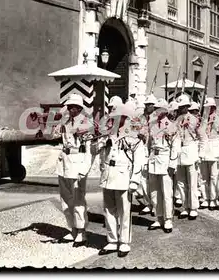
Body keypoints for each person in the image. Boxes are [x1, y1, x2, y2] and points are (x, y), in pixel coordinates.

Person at [96, 103, 144, 257]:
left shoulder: (133, 135)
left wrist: (135, 180)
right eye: (113, 117)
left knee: (124, 211)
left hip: (124, 175)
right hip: (109, 174)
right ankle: (111, 240)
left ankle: (124, 242)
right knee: (108, 209)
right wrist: (103, 143)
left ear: (125, 117)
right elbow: (98, 151)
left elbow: (139, 159)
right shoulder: (108, 134)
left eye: (118, 117)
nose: (115, 120)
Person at [51, 94, 94, 247]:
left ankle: (82, 231)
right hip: (64, 162)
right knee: (66, 199)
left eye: (74, 107)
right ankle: (73, 229)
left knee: (78, 199)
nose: (71, 109)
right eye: (69, 107)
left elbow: (90, 149)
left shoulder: (86, 123)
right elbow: (54, 135)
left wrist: (85, 168)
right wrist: (58, 121)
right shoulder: (66, 122)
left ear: (80, 108)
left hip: (77, 163)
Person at [147, 98, 180, 233]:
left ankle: (168, 219)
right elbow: (149, 144)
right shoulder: (152, 125)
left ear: (165, 111)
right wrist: (146, 160)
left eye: (159, 109)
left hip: (165, 159)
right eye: (155, 109)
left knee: (167, 192)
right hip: (153, 159)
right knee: (154, 192)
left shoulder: (171, 126)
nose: (156, 111)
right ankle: (159, 217)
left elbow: (176, 146)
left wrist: (172, 163)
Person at [174, 94, 200, 220]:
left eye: (183, 106)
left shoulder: (194, 119)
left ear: (187, 106)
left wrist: (200, 154)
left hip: (191, 149)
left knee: (192, 181)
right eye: (180, 107)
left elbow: (200, 136)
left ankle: (193, 207)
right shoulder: (177, 120)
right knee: (181, 182)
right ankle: (185, 206)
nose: (181, 109)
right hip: (180, 149)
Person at [197, 97, 219, 210]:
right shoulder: (203, 120)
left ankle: (213, 199)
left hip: (214, 148)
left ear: (214, 107)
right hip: (204, 149)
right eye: (206, 108)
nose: (208, 109)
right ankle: (205, 198)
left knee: (213, 176)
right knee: (203, 176)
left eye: (210, 107)